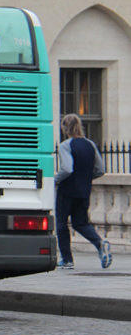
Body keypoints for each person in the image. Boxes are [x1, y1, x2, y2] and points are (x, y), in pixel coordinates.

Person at [54, 113, 111, 270]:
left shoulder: (66, 145)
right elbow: (100, 170)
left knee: (61, 223)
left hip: (67, 190)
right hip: (84, 190)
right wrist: (86, 177)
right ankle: (100, 243)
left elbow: (67, 168)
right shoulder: (90, 144)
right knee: (80, 222)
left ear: (65, 128)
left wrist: (56, 179)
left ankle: (67, 260)